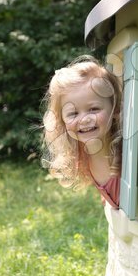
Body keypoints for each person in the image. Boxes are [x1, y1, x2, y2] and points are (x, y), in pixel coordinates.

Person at [41, 55, 122, 208]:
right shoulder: (81, 154)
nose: (84, 119)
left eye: (94, 109)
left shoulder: (123, 153)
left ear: (115, 109)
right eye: (73, 113)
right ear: (62, 121)